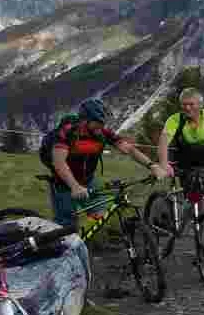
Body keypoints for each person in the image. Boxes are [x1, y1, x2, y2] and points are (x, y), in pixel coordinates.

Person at [44, 97, 164, 228]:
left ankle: (89, 236)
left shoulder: (102, 132)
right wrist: (74, 186)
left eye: (103, 122)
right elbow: (59, 163)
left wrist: (152, 166)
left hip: (87, 180)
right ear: (85, 120)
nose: (101, 126)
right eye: (97, 122)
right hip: (63, 184)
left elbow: (129, 149)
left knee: (101, 215)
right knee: (67, 226)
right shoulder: (67, 132)